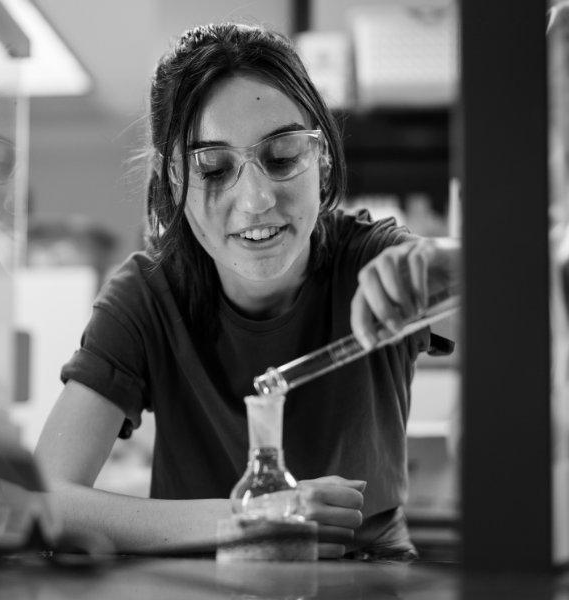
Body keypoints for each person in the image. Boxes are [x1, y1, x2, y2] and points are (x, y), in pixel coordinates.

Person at [35, 22, 459, 560]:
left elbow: (519, 315)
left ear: (322, 158)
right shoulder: (147, 299)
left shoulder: (373, 261)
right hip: (200, 585)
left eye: (282, 157)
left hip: (370, 581)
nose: (256, 199)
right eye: (213, 168)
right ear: (172, 181)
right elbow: (46, 497)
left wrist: (454, 267)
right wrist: (251, 519)